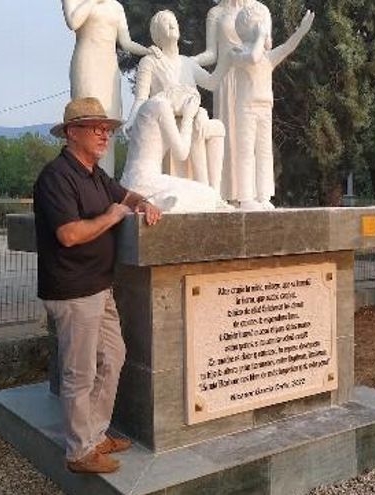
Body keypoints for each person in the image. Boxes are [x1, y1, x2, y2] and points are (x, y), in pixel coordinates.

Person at [34, 97, 161, 474]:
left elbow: (126, 195)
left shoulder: (94, 173)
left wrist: (144, 203)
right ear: (73, 132)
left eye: (107, 129)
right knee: (80, 372)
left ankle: (95, 434)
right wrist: (111, 216)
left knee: (114, 356)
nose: (105, 134)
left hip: (98, 287)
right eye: (96, 128)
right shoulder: (56, 177)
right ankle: (78, 453)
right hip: (72, 292)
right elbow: (70, 234)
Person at [124, 10, 226, 193]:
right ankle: (204, 191)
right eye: (165, 22)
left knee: (218, 127)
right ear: (157, 33)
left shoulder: (187, 63)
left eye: (173, 21)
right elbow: (141, 97)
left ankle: (215, 193)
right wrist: (131, 121)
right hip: (168, 124)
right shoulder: (150, 62)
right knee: (196, 129)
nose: (171, 24)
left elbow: (212, 83)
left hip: (193, 116)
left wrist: (227, 60)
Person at [226, 6, 314, 210]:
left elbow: (287, 48)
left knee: (264, 152)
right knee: (246, 151)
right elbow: (253, 58)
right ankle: (246, 196)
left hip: (265, 108)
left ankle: (264, 195)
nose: (267, 32)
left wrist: (300, 32)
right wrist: (260, 37)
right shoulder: (237, 53)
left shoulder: (268, 56)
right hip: (246, 108)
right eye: (264, 26)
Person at [61, 0, 158, 177]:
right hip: (87, 63)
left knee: (108, 124)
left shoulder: (116, 6)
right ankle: (83, 180)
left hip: (109, 68)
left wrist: (148, 51)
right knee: (87, 120)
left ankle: (105, 182)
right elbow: (73, 22)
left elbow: (126, 42)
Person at [193, 0, 272, 202]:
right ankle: (228, 196)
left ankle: (257, 196)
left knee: (255, 142)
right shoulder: (216, 12)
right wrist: (186, 61)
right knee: (228, 138)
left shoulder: (260, 9)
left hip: (251, 78)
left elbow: (267, 45)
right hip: (226, 78)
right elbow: (211, 54)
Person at [120, 89, 232, 212]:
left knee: (204, 194)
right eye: (191, 103)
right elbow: (182, 153)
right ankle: (155, 201)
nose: (190, 108)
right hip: (142, 181)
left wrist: (200, 113)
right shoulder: (161, 106)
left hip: (134, 179)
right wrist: (188, 117)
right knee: (208, 194)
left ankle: (162, 200)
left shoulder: (149, 105)